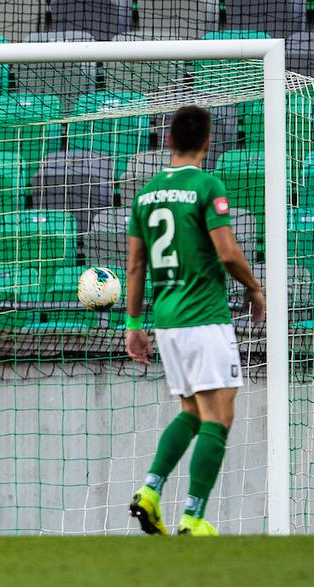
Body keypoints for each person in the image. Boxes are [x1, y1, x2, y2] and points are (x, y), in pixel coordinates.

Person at [125, 105, 266, 536]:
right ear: (208, 142)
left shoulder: (145, 193)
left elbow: (135, 265)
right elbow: (225, 252)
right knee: (219, 417)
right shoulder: (207, 185)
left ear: (168, 141)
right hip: (204, 316)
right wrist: (254, 287)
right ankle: (193, 516)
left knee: (191, 409)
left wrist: (132, 325)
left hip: (166, 321)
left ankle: (150, 490)